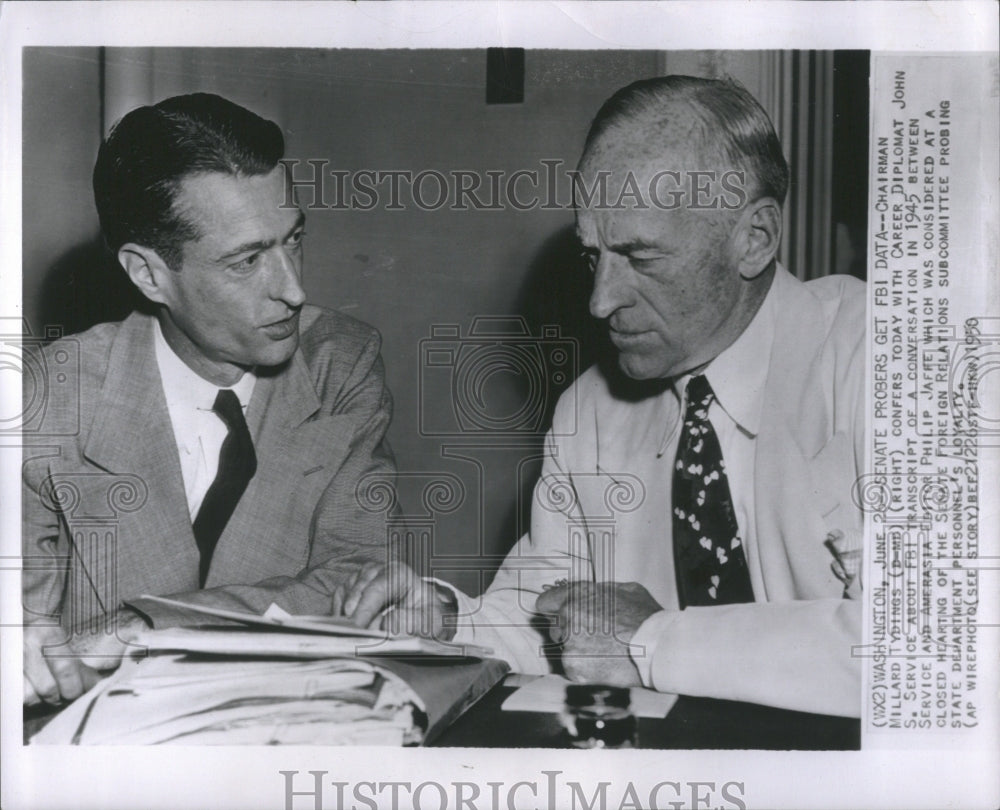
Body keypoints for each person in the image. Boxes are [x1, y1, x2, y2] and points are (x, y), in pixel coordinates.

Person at [347, 75, 865, 718]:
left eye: (641, 258)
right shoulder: (589, 409)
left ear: (754, 238)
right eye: (593, 257)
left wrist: (654, 642)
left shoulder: (881, 359)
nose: (600, 301)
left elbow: (924, 653)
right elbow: (543, 620)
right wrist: (445, 625)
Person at [21, 93, 411, 706]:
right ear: (149, 275)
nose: (293, 290)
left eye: (293, 239)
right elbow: (20, 622)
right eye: (248, 260)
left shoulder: (340, 362)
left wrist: (148, 626)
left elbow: (362, 581)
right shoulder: (52, 393)